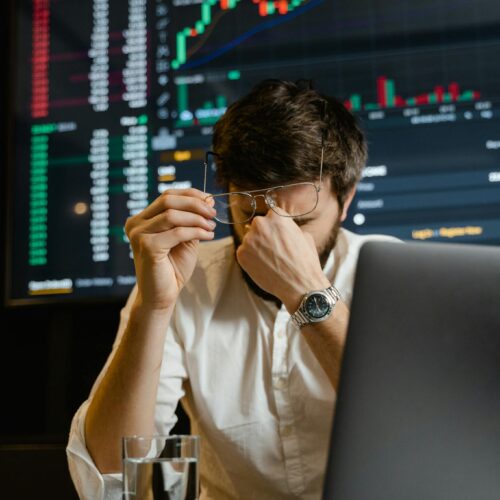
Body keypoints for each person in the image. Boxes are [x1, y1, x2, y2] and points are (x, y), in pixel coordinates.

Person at [67, 79, 398, 499]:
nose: (271, 244)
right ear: (227, 195)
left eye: (298, 225)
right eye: (250, 213)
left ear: (346, 199)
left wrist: (307, 292)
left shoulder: (392, 279)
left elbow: (422, 433)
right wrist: (154, 306)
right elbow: (109, 478)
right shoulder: (183, 278)